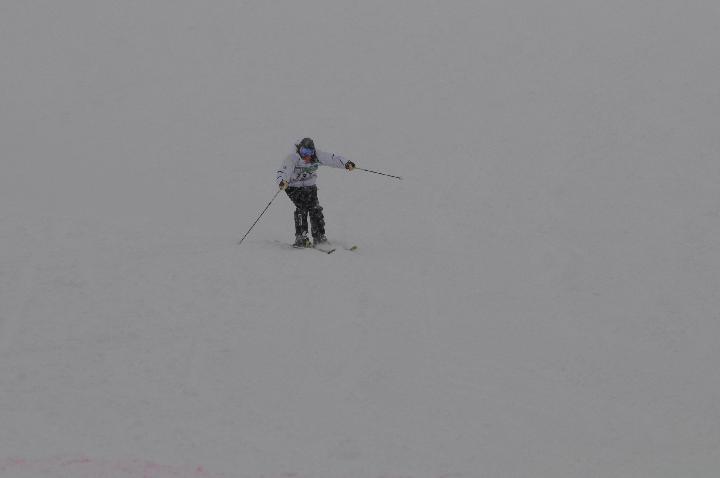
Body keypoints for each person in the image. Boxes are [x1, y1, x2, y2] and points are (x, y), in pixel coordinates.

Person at [276, 137, 355, 247]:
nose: (307, 155)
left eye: (310, 152)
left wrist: (346, 163)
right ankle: (301, 237)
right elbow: (283, 171)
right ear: (300, 149)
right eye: (304, 152)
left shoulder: (317, 156)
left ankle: (319, 236)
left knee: (315, 208)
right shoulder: (293, 158)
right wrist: (282, 181)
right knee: (302, 207)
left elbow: (331, 159)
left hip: (310, 186)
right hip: (293, 187)